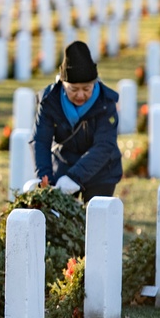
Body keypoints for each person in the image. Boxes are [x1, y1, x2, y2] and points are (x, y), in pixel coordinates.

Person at [24, 40, 122, 202]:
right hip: (63, 165)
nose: (80, 95)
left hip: (102, 171)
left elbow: (104, 145)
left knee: (96, 219)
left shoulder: (106, 103)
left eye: (86, 89)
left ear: (95, 83)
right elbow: (40, 140)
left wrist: (75, 177)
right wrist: (44, 177)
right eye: (73, 89)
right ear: (63, 84)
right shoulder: (49, 102)